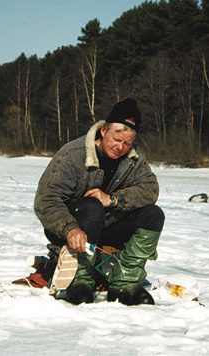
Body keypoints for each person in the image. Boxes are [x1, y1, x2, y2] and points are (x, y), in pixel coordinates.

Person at [34, 98, 165, 306]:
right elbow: (46, 200)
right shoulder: (72, 155)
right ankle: (80, 281)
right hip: (71, 228)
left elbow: (150, 190)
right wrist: (69, 229)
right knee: (92, 206)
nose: (120, 147)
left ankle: (124, 282)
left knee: (153, 215)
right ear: (104, 130)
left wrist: (114, 200)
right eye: (116, 139)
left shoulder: (134, 157)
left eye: (127, 143)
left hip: (107, 226)